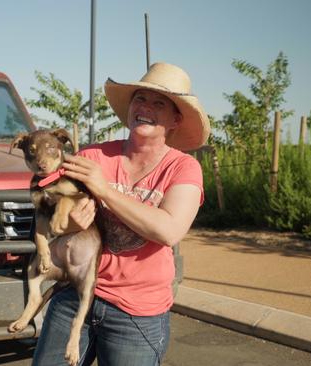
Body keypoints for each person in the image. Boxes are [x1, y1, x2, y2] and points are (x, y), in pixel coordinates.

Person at [32, 62, 210, 366]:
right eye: (140, 98)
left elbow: (169, 230)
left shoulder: (183, 168)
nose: (145, 107)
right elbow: (47, 216)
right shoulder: (92, 157)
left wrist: (104, 190)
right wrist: (65, 226)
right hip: (74, 296)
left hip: (137, 313)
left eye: (159, 103)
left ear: (175, 119)